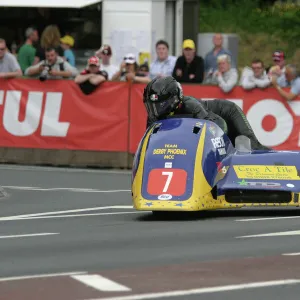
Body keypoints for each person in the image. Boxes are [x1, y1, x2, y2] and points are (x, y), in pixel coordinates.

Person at [143, 76, 270, 150]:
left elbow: (219, 125)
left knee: (253, 146)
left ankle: (275, 163)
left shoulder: (190, 105)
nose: (155, 110)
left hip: (227, 114)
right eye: (151, 105)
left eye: (159, 104)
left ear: (174, 100)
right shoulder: (154, 115)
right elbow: (151, 143)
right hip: (218, 118)